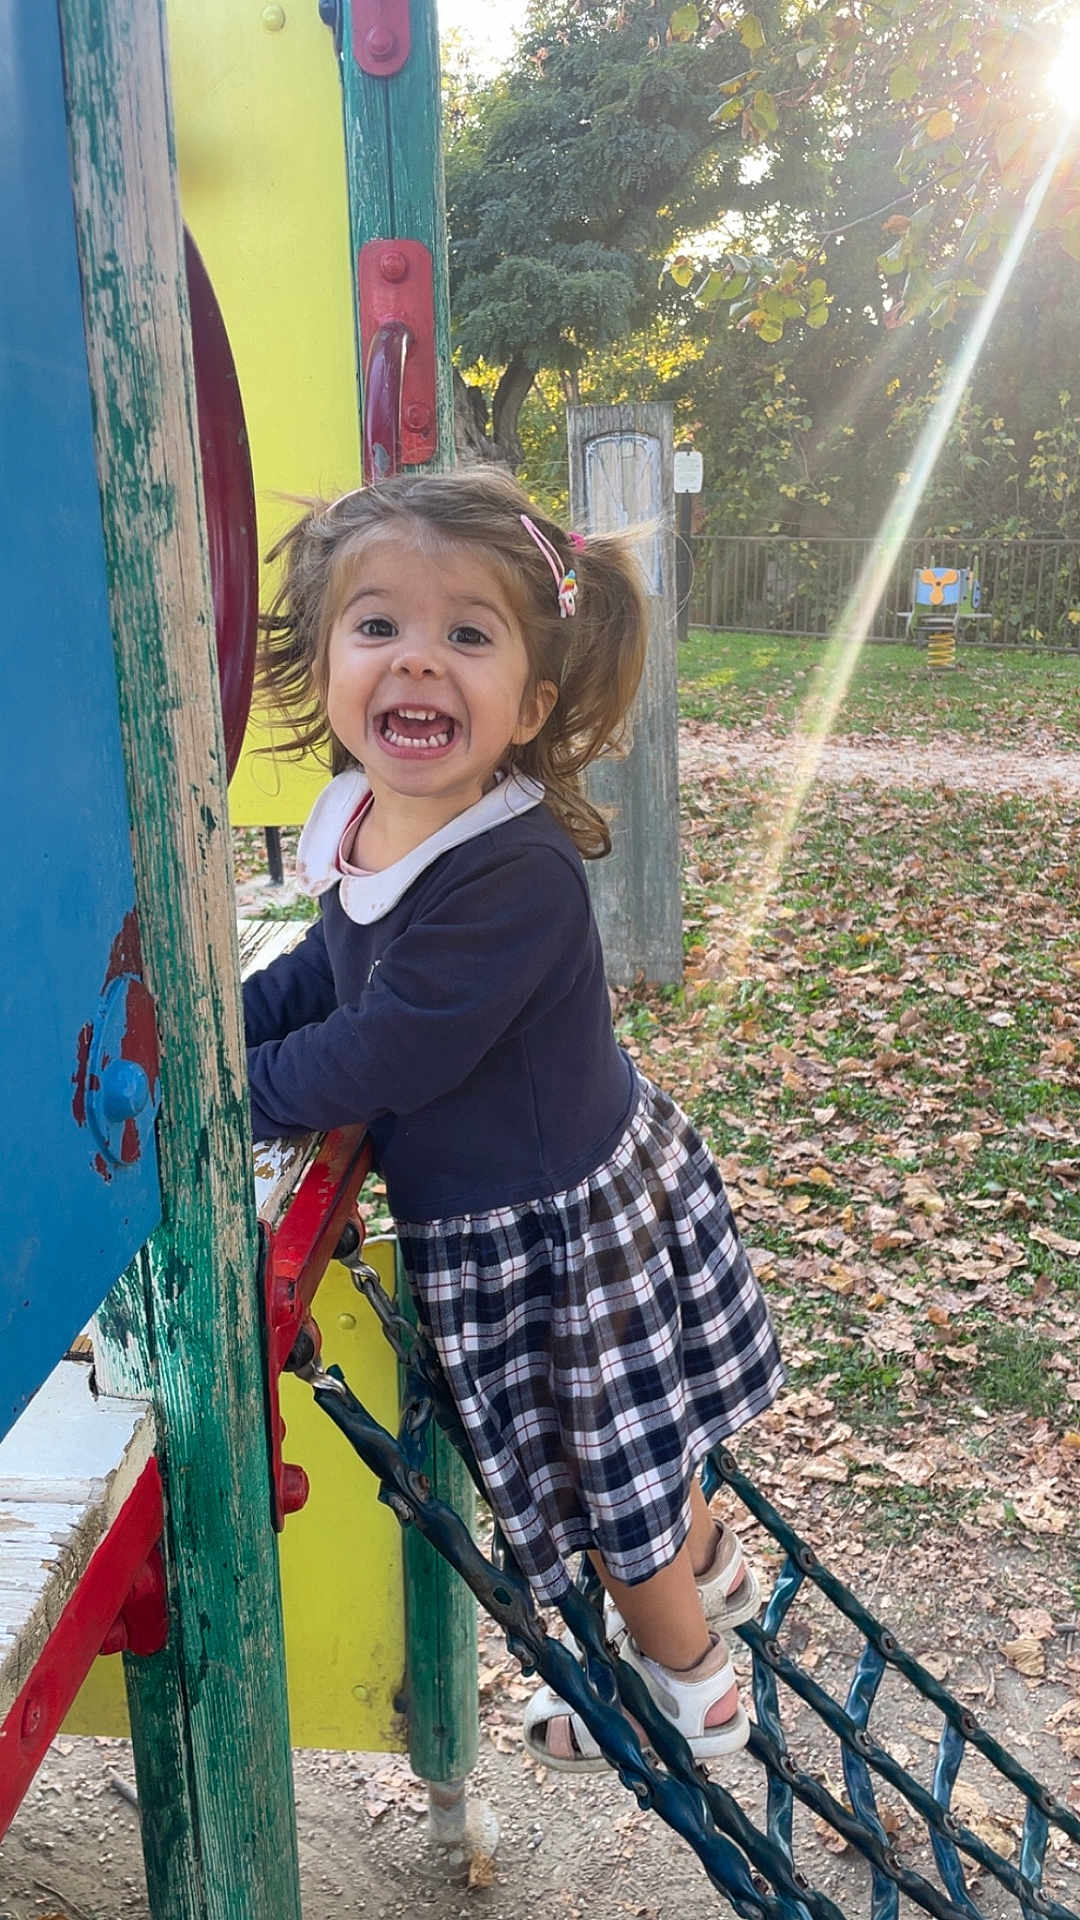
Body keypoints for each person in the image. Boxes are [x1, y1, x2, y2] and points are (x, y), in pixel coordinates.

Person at [243, 468, 784, 1771]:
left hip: (556, 1235)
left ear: (532, 703)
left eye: (466, 635)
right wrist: (241, 1022)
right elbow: (338, 964)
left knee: (612, 1488)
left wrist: (234, 1092)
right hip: (542, 1201)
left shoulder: (514, 870)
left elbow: (387, 1051)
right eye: (378, 626)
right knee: (641, 1433)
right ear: (324, 657)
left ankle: (691, 1690)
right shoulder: (373, 816)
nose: (416, 660)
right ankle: (713, 1573)